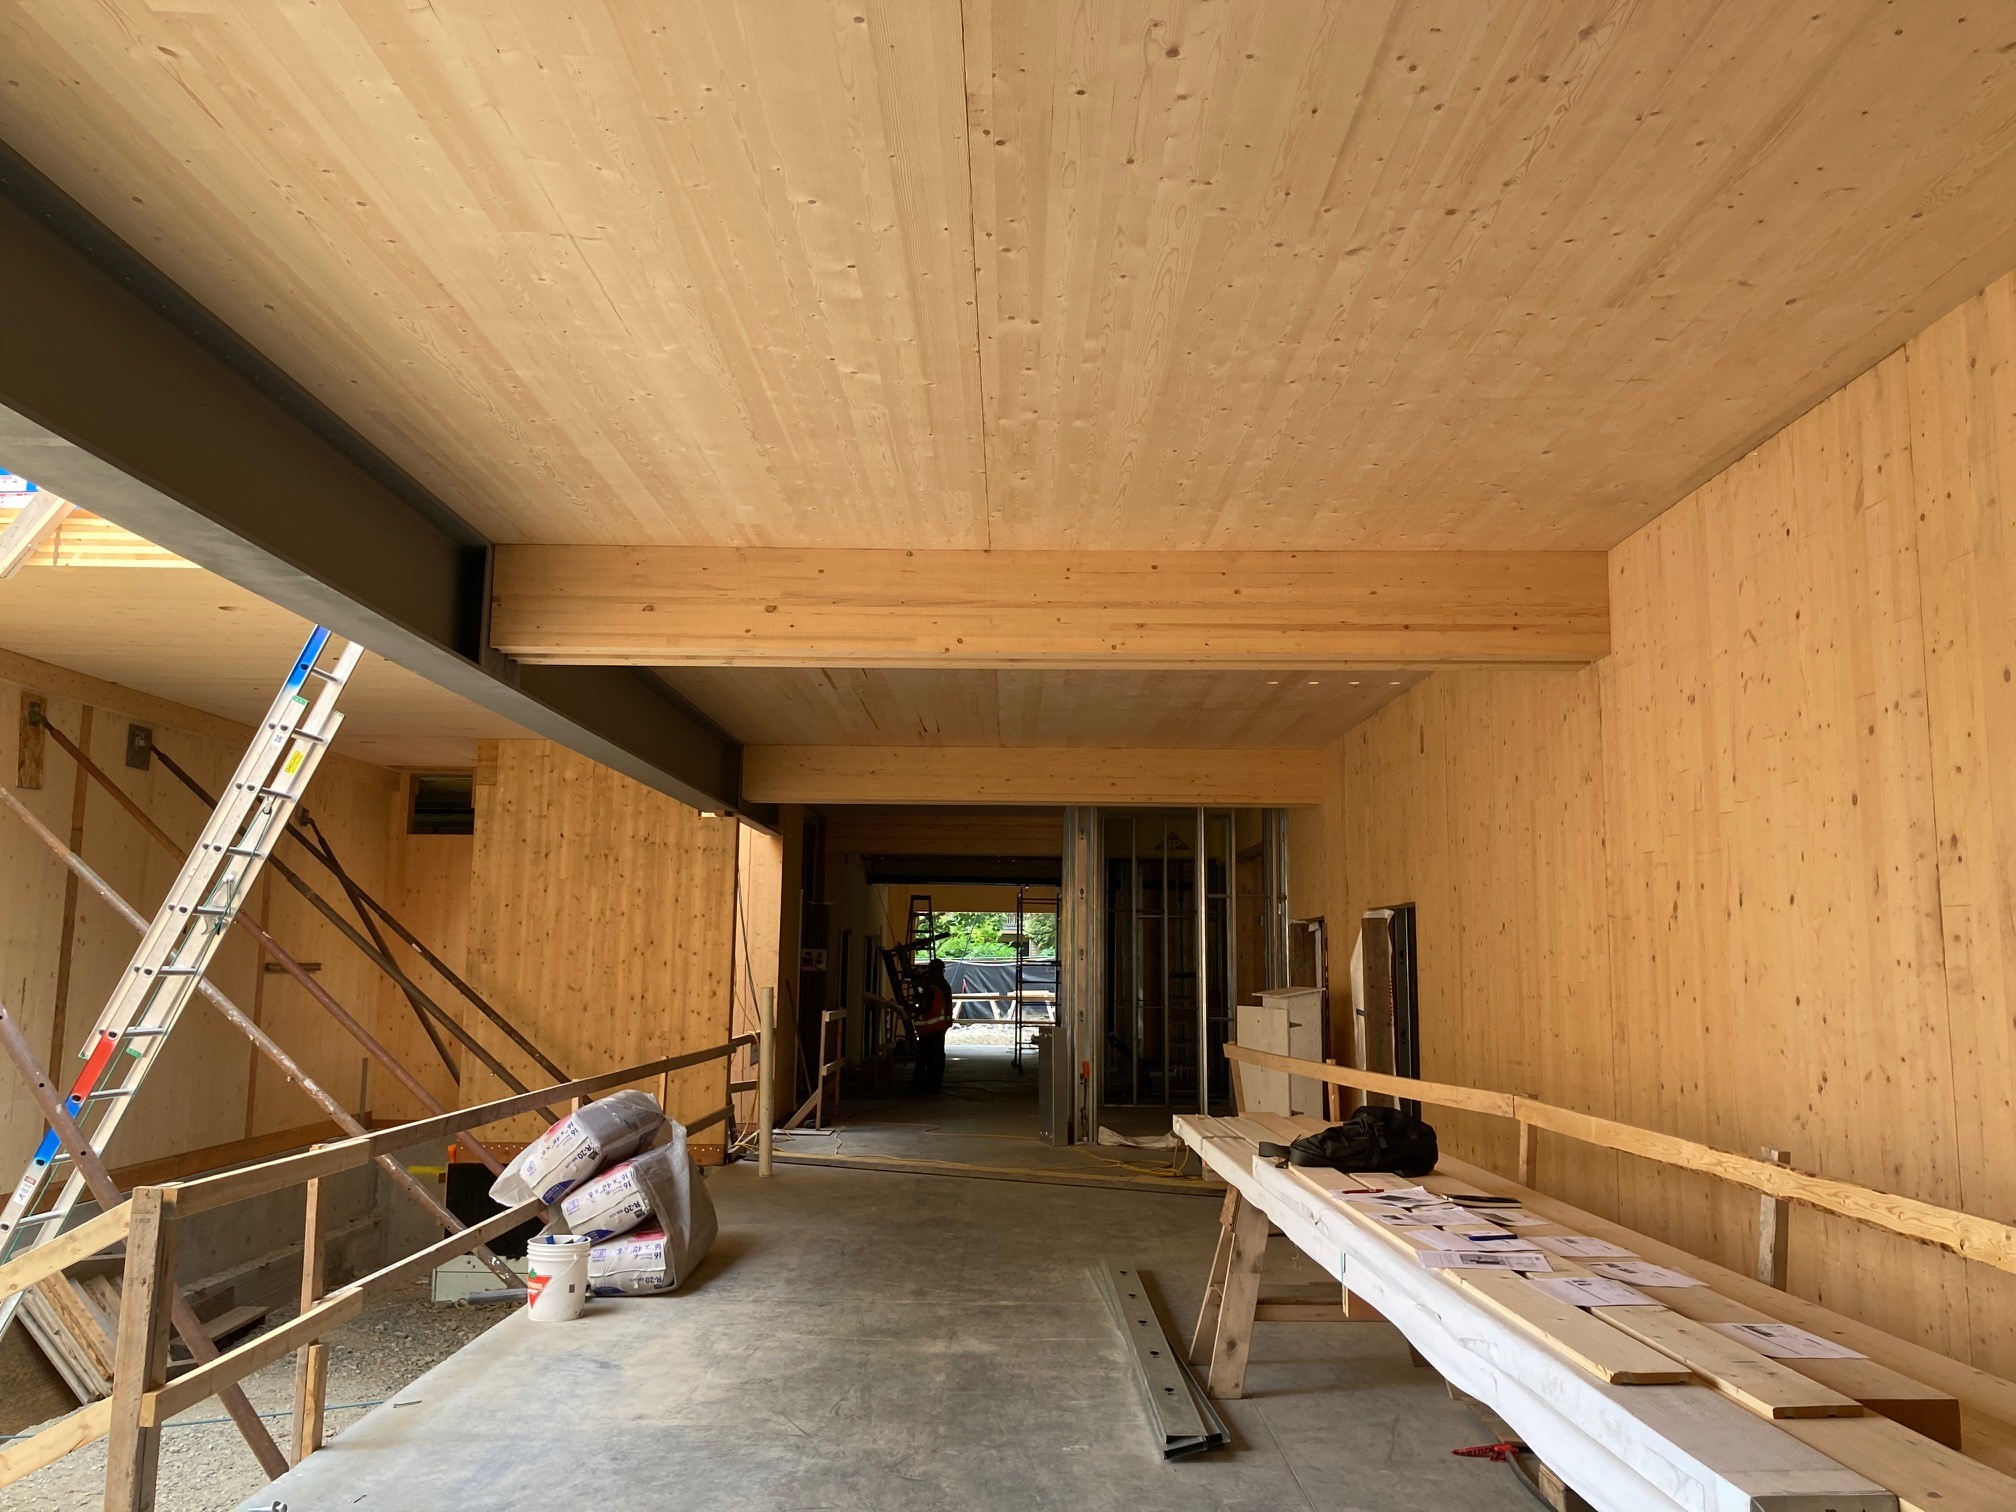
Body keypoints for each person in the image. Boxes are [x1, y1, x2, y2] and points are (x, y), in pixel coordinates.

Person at [911, 957, 953, 1094]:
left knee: (925, 1056)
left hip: (931, 1028)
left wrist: (911, 1009)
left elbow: (927, 1009)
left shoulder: (932, 988)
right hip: (940, 1026)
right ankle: (934, 1084)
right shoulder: (944, 984)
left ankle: (925, 1085)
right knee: (937, 1056)